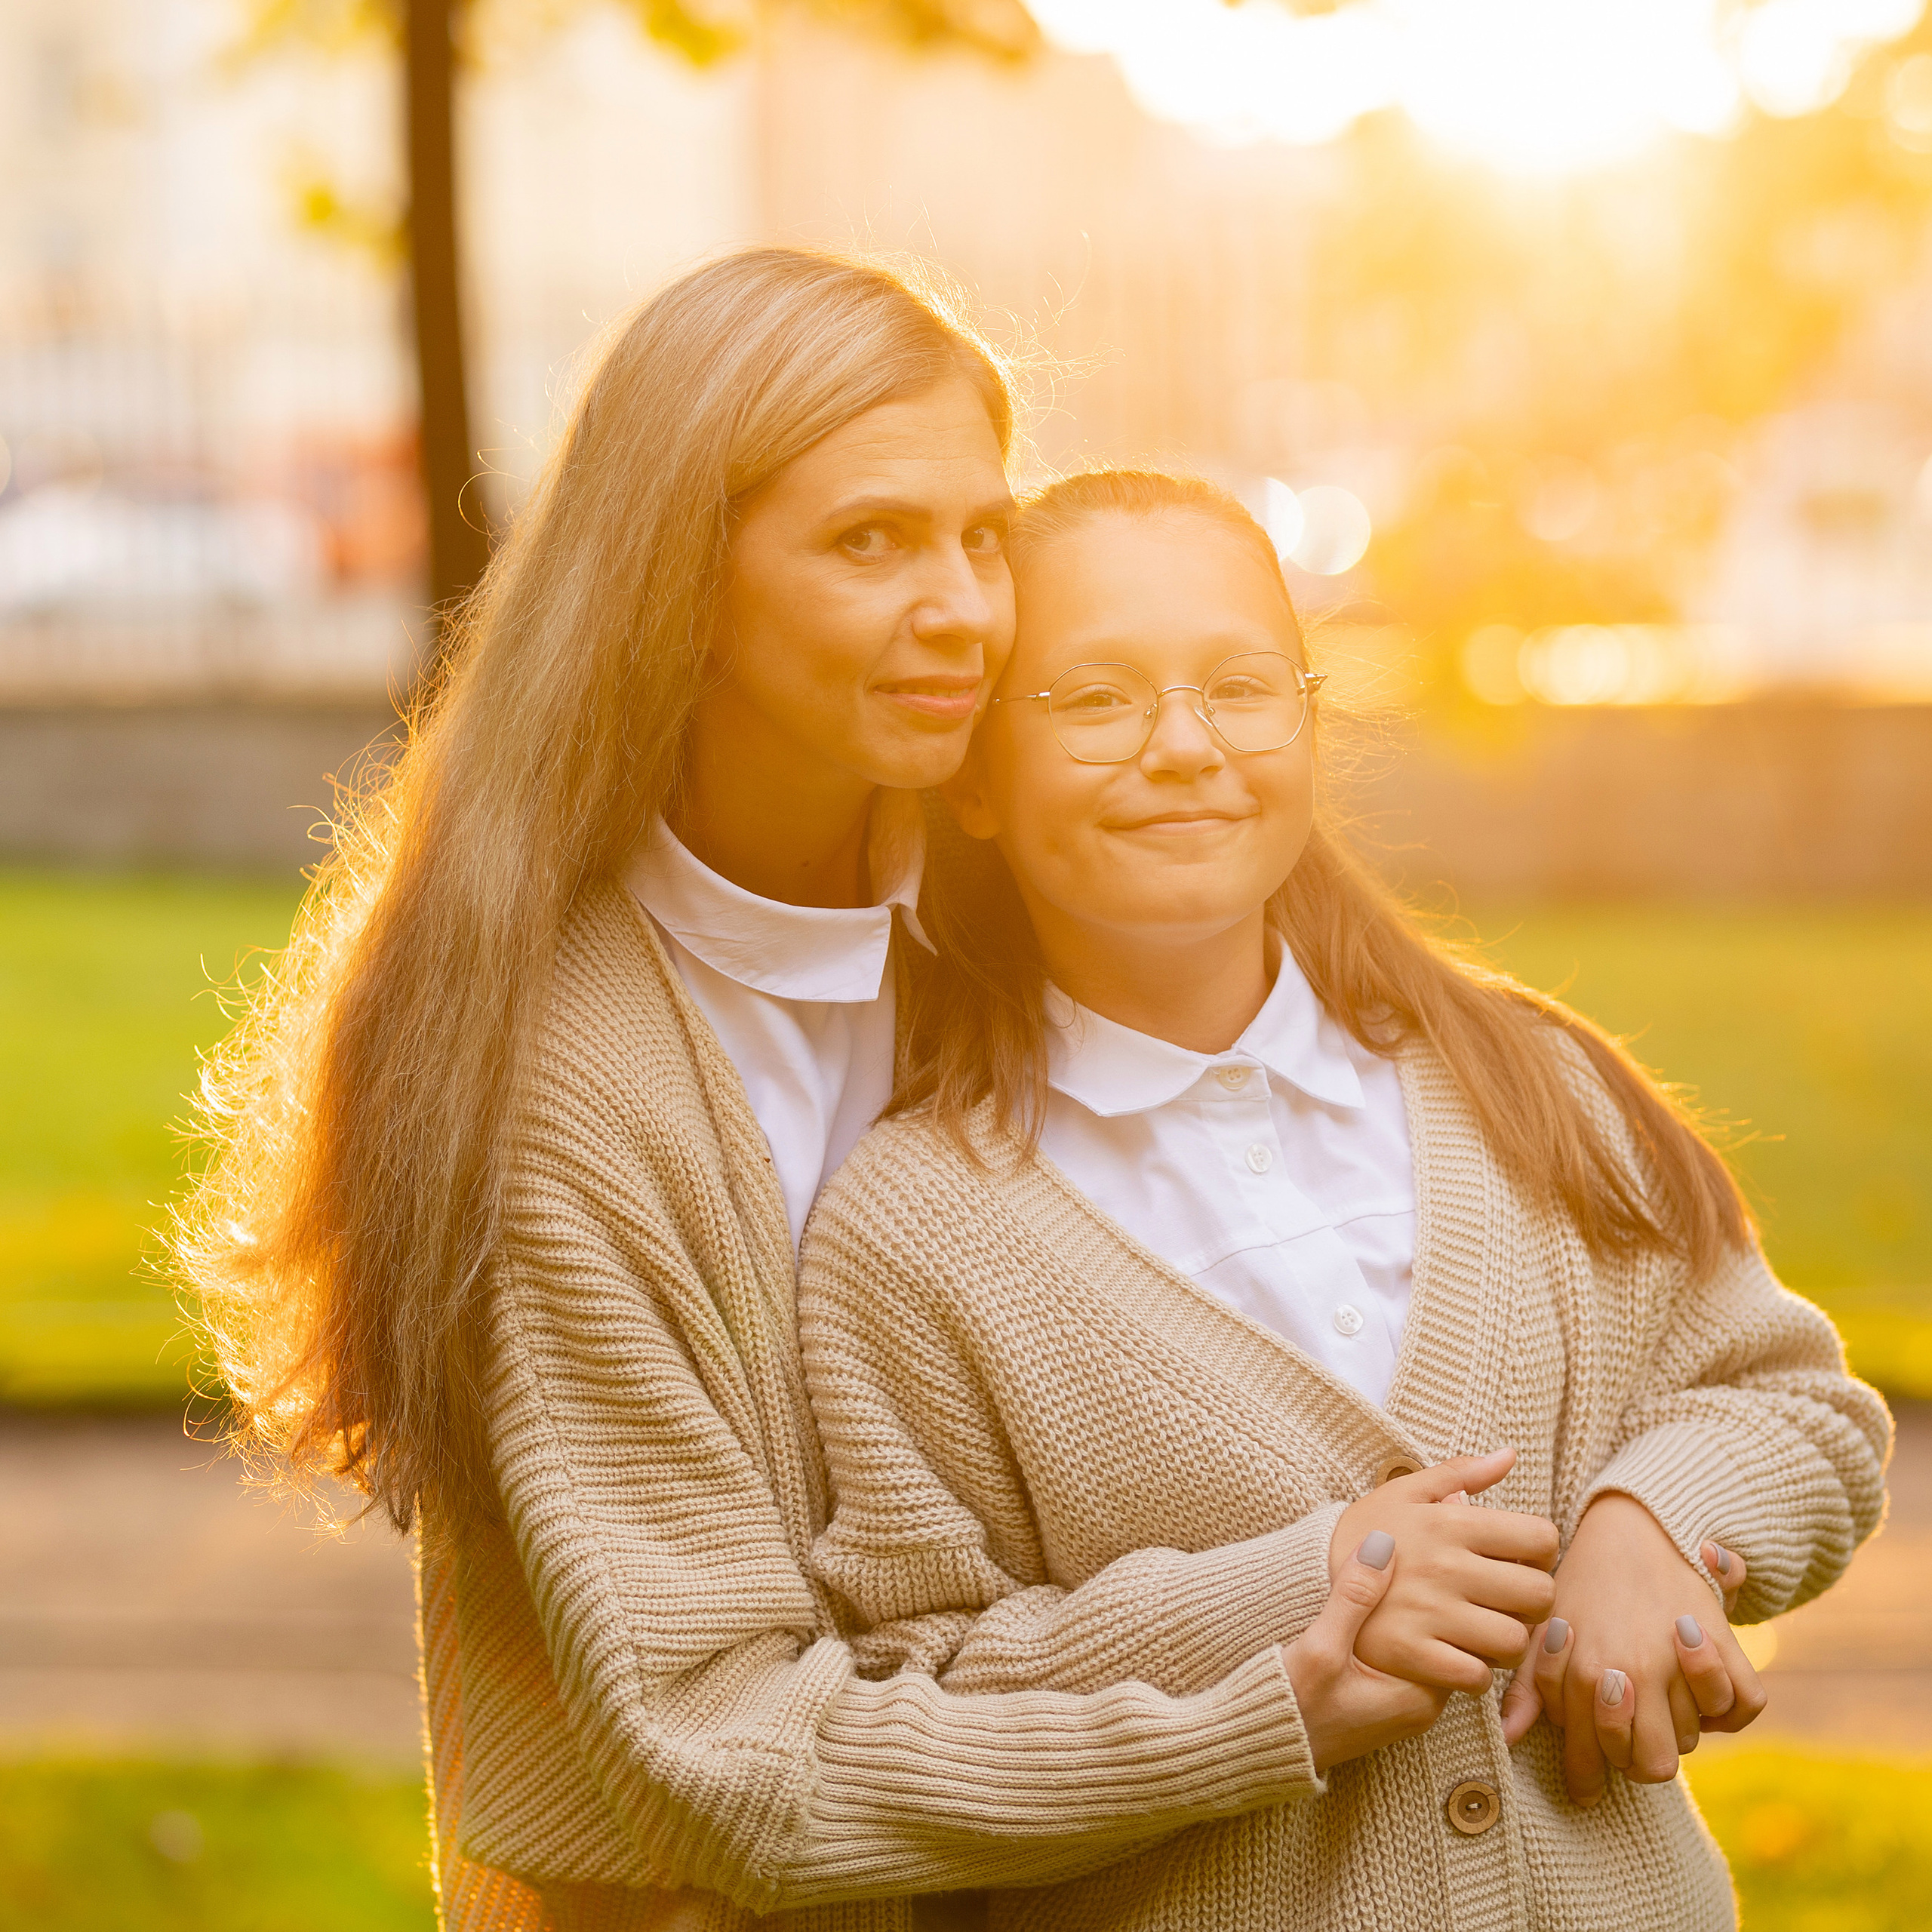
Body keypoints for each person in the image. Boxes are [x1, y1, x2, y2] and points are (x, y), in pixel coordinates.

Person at [174, 253, 1479, 1932]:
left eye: (980, 531)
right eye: (871, 542)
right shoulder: (563, 1084)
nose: (965, 605)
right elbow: (725, 1747)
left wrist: (1636, 1516)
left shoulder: (1015, 892)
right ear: (679, 578)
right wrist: (1275, 1668)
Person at [795, 468, 1890, 1931]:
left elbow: (1788, 1402)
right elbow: (916, 1689)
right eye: (1093, 697)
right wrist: (1302, 1587)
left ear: (1306, 721)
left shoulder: (1522, 1079)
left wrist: (1656, 1521)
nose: (1181, 746)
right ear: (975, 774)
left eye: (1238, 685)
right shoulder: (907, 1236)